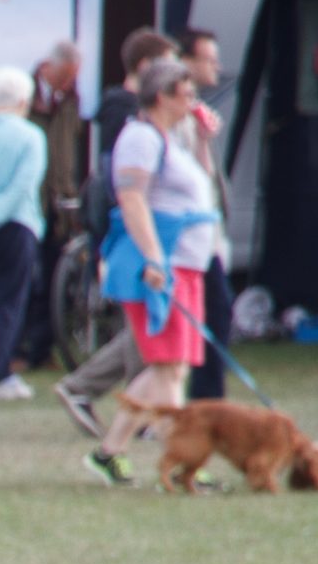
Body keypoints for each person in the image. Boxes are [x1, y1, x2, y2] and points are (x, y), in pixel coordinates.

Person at [86, 57, 223, 485]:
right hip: (161, 264)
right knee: (168, 367)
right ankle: (185, 461)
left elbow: (204, 186)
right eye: (186, 94)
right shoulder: (141, 138)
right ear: (162, 96)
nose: (193, 101)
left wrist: (203, 140)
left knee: (172, 365)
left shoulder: (171, 137)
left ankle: (109, 451)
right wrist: (152, 258)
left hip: (186, 264)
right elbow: (132, 199)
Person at [55, 29, 178, 449]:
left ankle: (102, 395)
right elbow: (125, 187)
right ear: (147, 70)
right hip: (131, 234)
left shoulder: (137, 117)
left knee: (149, 330)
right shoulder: (128, 118)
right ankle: (118, 404)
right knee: (147, 330)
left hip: (144, 234)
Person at [0, 66, 49, 400]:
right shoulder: (31, 135)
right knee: (9, 299)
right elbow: (24, 185)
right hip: (16, 223)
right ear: (23, 100)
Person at [15, 41, 84, 371]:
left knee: (53, 282)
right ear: (46, 68)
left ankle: (41, 351)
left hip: (59, 209)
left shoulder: (70, 101)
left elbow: (69, 147)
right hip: (28, 205)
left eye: (73, 77)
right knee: (23, 281)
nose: (69, 83)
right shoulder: (22, 100)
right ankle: (15, 349)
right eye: (66, 76)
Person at [175, 27, 232, 402]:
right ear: (187, 63)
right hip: (188, 238)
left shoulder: (197, 116)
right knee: (213, 313)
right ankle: (206, 402)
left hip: (206, 235)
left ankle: (208, 399)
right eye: (209, 58)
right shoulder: (174, 118)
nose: (218, 66)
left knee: (215, 313)